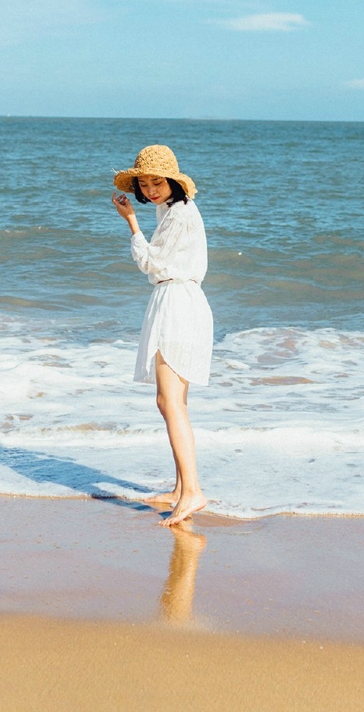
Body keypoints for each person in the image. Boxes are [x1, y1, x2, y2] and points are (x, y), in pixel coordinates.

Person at [112, 144, 213, 527]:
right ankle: (180, 488)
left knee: (170, 401)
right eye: (145, 183)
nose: (152, 189)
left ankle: (192, 492)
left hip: (178, 303)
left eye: (158, 182)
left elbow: (151, 263)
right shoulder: (171, 210)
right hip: (178, 300)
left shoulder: (180, 214)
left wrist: (132, 223)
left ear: (173, 181)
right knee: (171, 402)